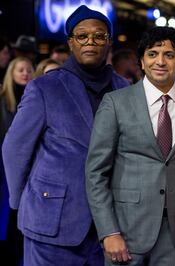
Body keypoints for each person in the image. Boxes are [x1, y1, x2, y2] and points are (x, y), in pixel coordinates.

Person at [2, 5, 129, 265]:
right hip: (50, 222)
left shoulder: (124, 88)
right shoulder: (45, 87)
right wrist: (23, 200)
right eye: (82, 36)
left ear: (109, 42)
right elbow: (15, 149)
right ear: (70, 43)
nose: (90, 42)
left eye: (99, 36)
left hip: (109, 226)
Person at [85, 26, 175, 266]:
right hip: (125, 231)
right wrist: (108, 231)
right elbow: (96, 173)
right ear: (142, 61)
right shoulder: (116, 103)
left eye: (169, 54)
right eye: (152, 53)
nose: (160, 61)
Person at [0, 56, 34, 266]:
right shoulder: (3, 101)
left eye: (29, 70)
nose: (25, 73)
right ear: (11, 72)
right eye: (20, 70)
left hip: (28, 170)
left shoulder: (36, 98)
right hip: (4, 171)